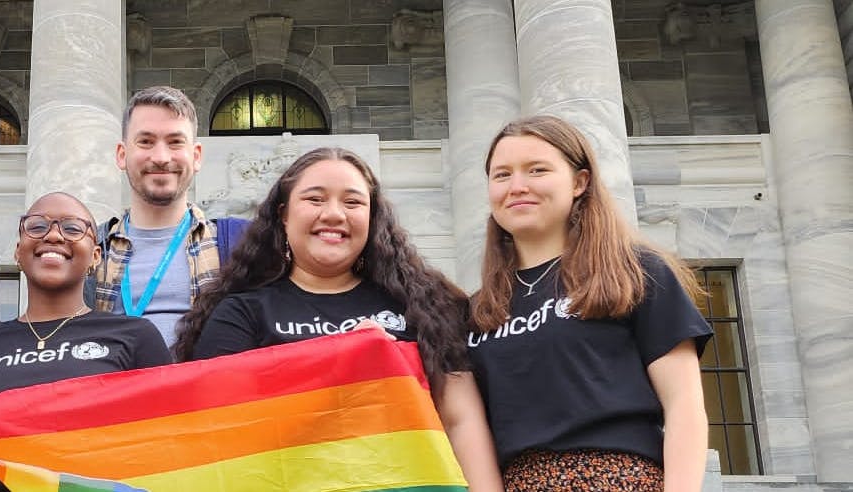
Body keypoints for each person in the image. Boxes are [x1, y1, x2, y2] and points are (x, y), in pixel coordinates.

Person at [176, 147, 504, 492]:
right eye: (315, 199)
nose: (334, 214)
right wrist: (341, 361)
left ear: (373, 217)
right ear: (284, 214)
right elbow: (214, 429)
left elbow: (460, 420)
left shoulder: (423, 306)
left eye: (352, 202)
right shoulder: (241, 312)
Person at [467, 115, 710, 491]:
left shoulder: (635, 272)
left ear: (580, 182)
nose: (517, 187)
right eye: (502, 175)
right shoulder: (476, 312)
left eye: (537, 170)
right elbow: (470, 431)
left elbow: (684, 404)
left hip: (621, 478)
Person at [0, 192, 173, 492]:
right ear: (17, 250)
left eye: (73, 228)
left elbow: (170, 450)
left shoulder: (135, 337)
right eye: (37, 227)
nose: (53, 235)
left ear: (96, 256)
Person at [94, 86, 245, 353]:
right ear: (121, 154)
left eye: (175, 142)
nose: (161, 158)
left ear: (196, 156)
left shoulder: (238, 244)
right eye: (145, 142)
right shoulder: (92, 248)